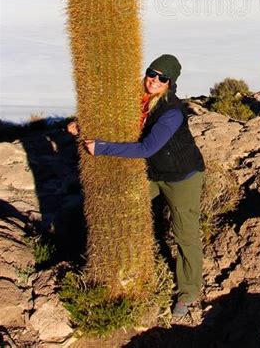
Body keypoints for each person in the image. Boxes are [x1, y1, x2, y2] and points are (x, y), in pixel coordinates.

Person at [67, 53, 205, 321]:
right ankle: (124, 271)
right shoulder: (140, 99)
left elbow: (147, 147)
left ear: (171, 82)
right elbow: (115, 119)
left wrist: (103, 148)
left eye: (162, 78)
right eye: (152, 74)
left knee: (184, 233)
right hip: (155, 173)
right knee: (125, 204)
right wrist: (82, 125)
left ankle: (188, 293)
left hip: (182, 178)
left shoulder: (172, 111)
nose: (154, 80)